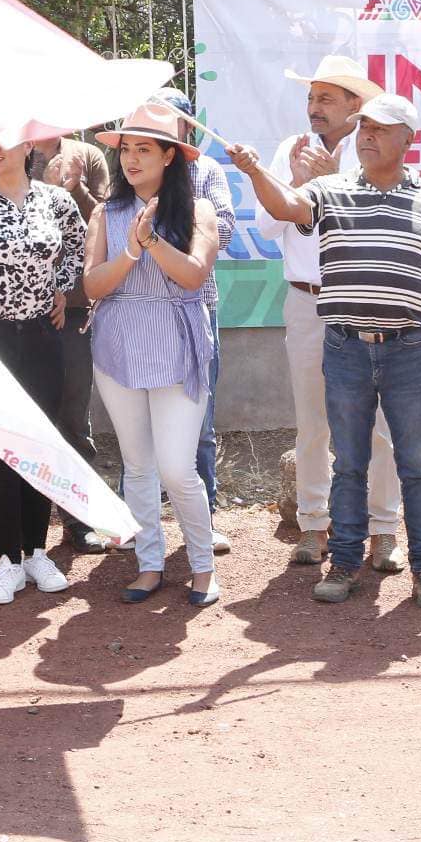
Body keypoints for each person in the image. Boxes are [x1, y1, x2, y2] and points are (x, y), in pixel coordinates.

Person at [233, 93, 421, 610]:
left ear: (408, 140)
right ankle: (342, 564)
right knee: (350, 463)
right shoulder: (327, 190)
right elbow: (284, 206)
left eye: (381, 129)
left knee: (416, 465)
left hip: (407, 347)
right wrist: (254, 171)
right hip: (345, 347)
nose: (367, 135)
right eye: (364, 127)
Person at [262, 56, 406, 573]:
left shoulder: (375, 152)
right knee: (312, 421)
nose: (314, 108)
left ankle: (383, 529)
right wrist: (299, 185)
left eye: (326, 98)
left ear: (355, 106)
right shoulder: (289, 150)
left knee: (378, 424)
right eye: (311, 97)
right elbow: (267, 225)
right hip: (305, 301)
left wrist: (332, 183)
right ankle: (314, 525)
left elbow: (377, 222)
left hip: (365, 300)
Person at [85, 104, 222, 605]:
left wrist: (152, 240)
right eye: (126, 149)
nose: (132, 159)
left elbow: (193, 275)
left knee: (177, 467)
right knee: (137, 464)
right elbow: (92, 284)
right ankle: (149, 563)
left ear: (170, 156)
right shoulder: (106, 211)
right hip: (118, 344)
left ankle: (203, 565)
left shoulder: (197, 209)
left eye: (145, 149)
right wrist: (129, 250)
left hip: (178, 344)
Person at [0, 130, 87, 604]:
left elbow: (76, 247)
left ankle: (36, 551)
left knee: (41, 445)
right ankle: (7, 559)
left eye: (4, 139)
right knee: (0, 449)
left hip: (43, 337)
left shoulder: (56, 201)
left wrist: (63, 288)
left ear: (29, 147)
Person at [0, 124, 112, 556]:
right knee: (9, 422)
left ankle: (77, 518)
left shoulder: (87, 156)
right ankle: (10, 526)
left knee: (69, 418)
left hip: (65, 314)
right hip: (9, 323)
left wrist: (76, 188)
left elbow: (101, 226)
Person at [154, 87, 239, 555]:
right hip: (141, 313)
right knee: (144, 426)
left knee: (199, 421)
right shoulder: (138, 167)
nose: (165, 126)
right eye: (156, 118)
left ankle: (201, 523)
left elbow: (222, 229)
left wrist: (163, 232)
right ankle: (141, 523)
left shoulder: (205, 171)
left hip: (195, 309)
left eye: (174, 119)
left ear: (189, 126)